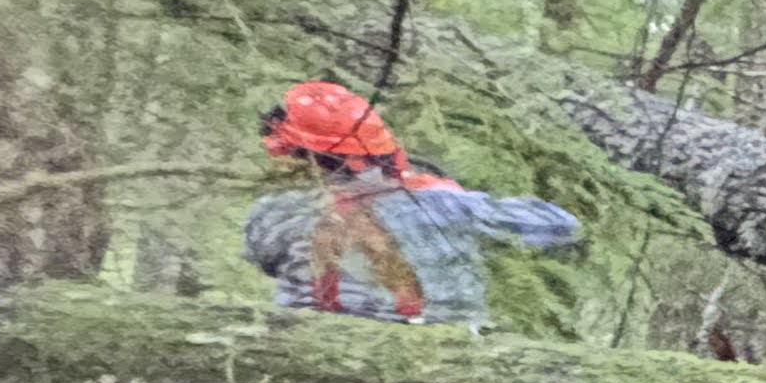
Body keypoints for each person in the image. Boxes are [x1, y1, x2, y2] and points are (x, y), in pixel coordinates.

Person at [242, 81, 579, 326]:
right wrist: (454, 198)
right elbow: (560, 224)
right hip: (440, 351)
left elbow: (263, 258)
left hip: (312, 350)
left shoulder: (277, 213)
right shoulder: (443, 204)